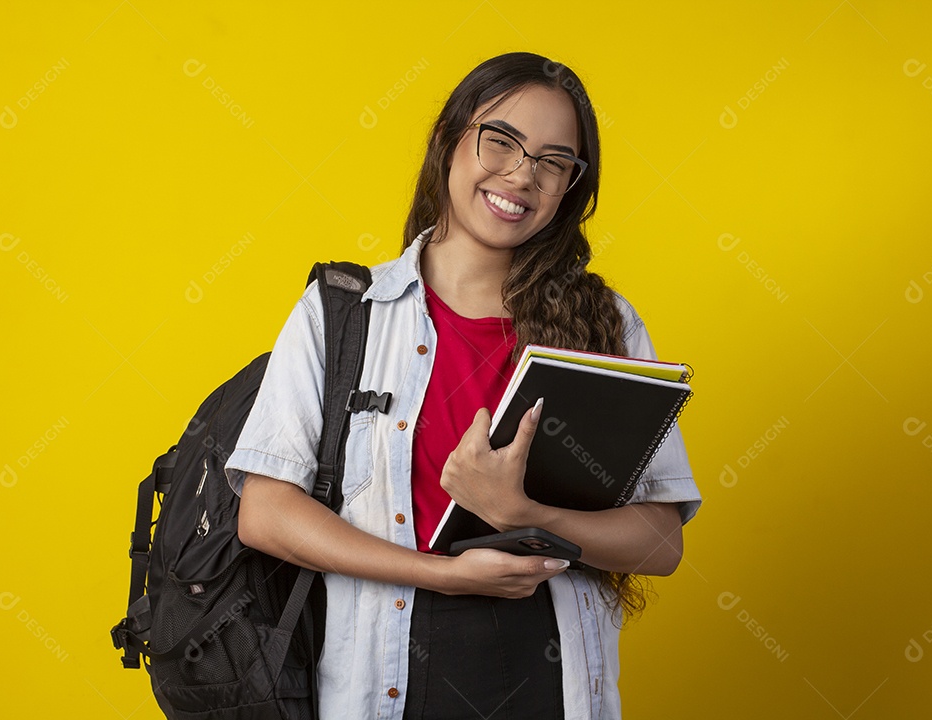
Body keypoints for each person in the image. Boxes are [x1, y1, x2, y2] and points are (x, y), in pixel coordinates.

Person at [224, 51, 702, 720]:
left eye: (553, 161)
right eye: (500, 141)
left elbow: (660, 544)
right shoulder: (344, 313)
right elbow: (266, 512)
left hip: (555, 689)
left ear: (570, 187)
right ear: (449, 139)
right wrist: (442, 574)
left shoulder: (606, 324)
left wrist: (527, 514)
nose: (521, 175)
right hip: (385, 683)